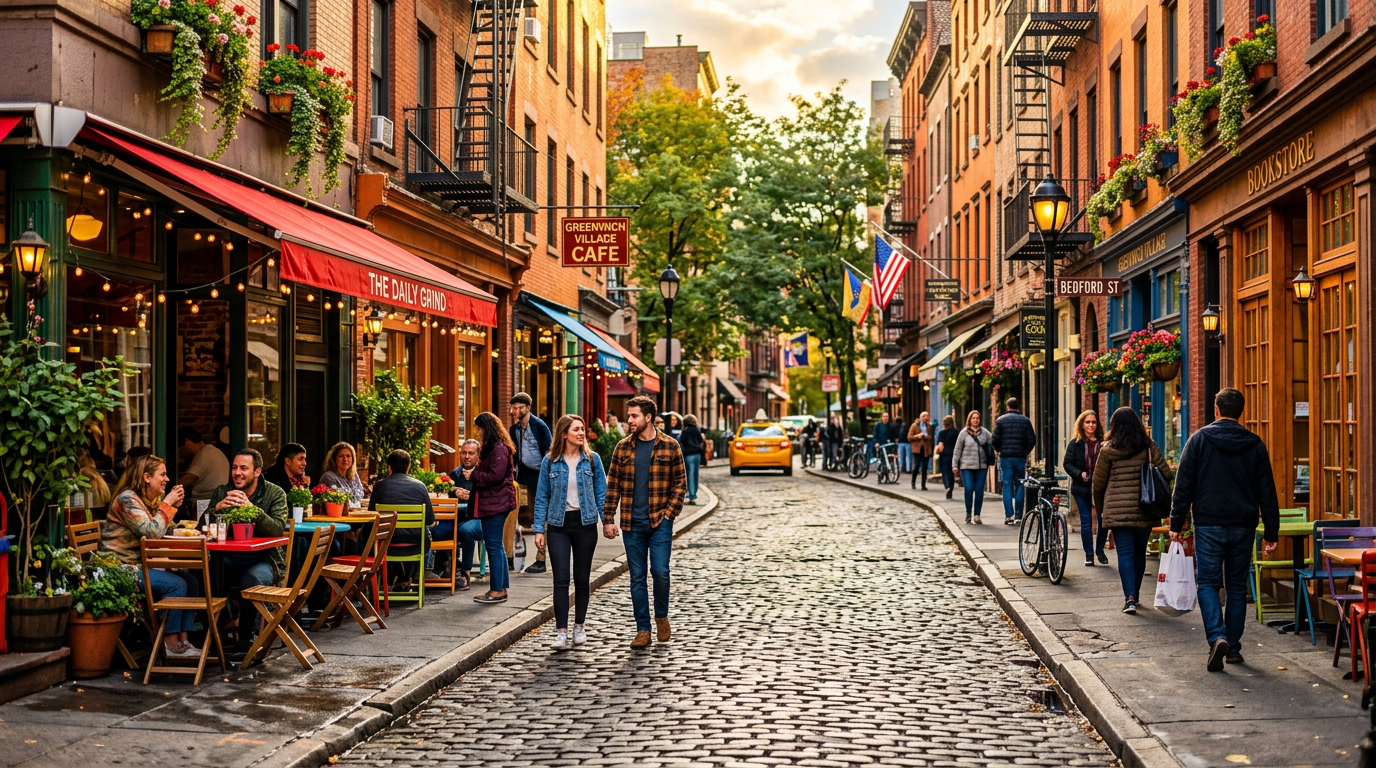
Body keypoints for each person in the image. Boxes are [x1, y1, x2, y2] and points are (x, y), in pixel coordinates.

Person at [1169, 388, 1279, 671]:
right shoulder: (1255, 444)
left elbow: (1183, 486)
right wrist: (1271, 532)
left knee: (1207, 582)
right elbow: (1267, 490)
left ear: (1216, 410)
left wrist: (1176, 523)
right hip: (1243, 524)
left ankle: (1217, 636)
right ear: (1240, 411)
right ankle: (1233, 647)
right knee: (1236, 587)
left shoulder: (1199, 440)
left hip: (1208, 522)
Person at [603, 395, 686, 649]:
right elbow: (613, 485)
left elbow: (680, 484)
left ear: (648, 417)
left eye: (634, 416)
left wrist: (669, 515)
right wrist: (608, 518)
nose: (629, 420)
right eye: (629, 416)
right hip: (631, 523)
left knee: (660, 572)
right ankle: (643, 629)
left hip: (660, 522)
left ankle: (661, 615)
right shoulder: (622, 448)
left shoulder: (670, 446)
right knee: (637, 577)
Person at [100, 454, 200, 659]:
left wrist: (171, 509)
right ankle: (170, 645)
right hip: (119, 568)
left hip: (139, 565)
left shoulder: (147, 500)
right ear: (146, 477)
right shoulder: (127, 499)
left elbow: (163, 529)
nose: (167, 479)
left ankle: (183, 641)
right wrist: (167, 504)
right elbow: (152, 531)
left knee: (191, 581)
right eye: (162, 475)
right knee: (176, 585)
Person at [534, 415, 608, 651]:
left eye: (583, 429)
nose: (581, 433)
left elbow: (602, 494)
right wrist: (538, 529)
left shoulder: (592, 460)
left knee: (582, 579)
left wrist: (608, 521)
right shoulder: (551, 461)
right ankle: (561, 633)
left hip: (585, 524)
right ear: (564, 433)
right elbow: (542, 496)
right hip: (558, 525)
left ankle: (579, 626)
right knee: (561, 579)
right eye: (576, 429)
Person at [1092, 407, 1173, 616]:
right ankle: (1135, 595)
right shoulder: (1148, 446)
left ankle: (1129, 598)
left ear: (1114, 426)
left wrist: (1101, 510)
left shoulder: (1108, 449)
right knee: (1139, 553)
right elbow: (1165, 472)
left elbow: (1098, 483)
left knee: (1125, 554)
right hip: (1145, 508)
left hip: (1118, 510)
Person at [210, 449, 289, 650]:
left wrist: (252, 509)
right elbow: (204, 529)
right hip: (227, 557)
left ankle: (247, 634)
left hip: (264, 559)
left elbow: (278, 528)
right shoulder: (222, 491)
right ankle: (218, 629)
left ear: (257, 472)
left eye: (244, 468)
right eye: (234, 468)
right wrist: (216, 510)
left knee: (251, 580)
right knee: (204, 573)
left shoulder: (275, 493)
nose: (237, 473)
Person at [467, 412, 518, 604]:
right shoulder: (498, 448)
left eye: (479, 428)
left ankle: (497, 590)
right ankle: (501, 587)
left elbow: (494, 477)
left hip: (495, 503)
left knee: (494, 546)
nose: (477, 432)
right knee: (497, 547)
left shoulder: (498, 449)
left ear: (486, 428)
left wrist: (473, 475)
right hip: (496, 502)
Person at [368, 449, 435, 584]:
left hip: (385, 543)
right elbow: (430, 519)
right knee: (423, 534)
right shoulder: (420, 487)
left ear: (389, 467)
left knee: (390, 535)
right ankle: (406, 578)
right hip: (416, 542)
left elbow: (371, 516)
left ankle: (401, 579)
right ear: (408, 466)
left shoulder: (379, 486)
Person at [509, 393, 552, 575]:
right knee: (519, 515)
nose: (516, 411)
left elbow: (549, 451)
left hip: (539, 474)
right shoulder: (514, 429)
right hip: (522, 474)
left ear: (528, 408)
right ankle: (513, 557)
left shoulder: (540, 426)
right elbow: (513, 453)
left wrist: (549, 476)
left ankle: (541, 559)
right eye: (514, 408)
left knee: (540, 516)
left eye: (520, 407)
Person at [1062, 410, 1108, 567]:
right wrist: (1079, 473)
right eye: (1088, 422)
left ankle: (1100, 550)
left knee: (1103, 521)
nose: (1091, 425)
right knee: (1086, 521)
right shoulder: (1075, 443)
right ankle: (1089, 554)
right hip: (1081, 488)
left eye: (1093, 422)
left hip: (1100, 488)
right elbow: (1067, 463)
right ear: (1082, 424)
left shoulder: (1103, 443)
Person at [443, 439, 487, 589]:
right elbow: (445, 496)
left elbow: (490, 497)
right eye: (464, 453)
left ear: (478, 455)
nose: (467, 456)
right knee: (440, 528)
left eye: (471, 453)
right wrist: (453, 491)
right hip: (458, 517)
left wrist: (473, 496)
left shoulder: (484, 474)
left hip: (480, 519)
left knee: (465, 530)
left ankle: (465, 572)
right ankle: (445, 567)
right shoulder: (454, 474)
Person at [991, 397, 1037, 525]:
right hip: (1020, 457)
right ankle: (1018, 516)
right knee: (1020, 485)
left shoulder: (1000, 421)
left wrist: (999, 450)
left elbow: (994, 440)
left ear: (1007, 407)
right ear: (1018, 407)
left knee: (1007, 485)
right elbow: (1032, 439)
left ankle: (1009, 516)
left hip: (1005, 457)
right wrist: (1025, 451)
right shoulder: (1025, 421)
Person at [951, 411, 993, 524]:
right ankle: (968, 512)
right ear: (969, 420)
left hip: (981, 466)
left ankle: (977, 515)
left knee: (979, 490)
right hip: (966, 466)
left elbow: (991, 446)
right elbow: (957, 450)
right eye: (973, 418)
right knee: (969, 488)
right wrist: (955, 465)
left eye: (977, 418)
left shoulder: (985, 433)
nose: (975, 420)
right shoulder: (963, 433)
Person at [176, 426, 230, 506]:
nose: (181, 455)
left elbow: (186, 481)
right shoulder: (212, 451)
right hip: (215, 501)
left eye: (181, 450)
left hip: (207, 504)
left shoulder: (204, 454)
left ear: (187, 442)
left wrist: (168, 494)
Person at [678, 414, 705, 504]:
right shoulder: (697, 430)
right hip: (697, 454)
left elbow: (681, 441)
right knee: (695, 474)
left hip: (689, 455)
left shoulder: (685, 431)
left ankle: (691, 495)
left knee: (689, 475)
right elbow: (701, 442)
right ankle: (694, 493)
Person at [934, 415, 959, 499]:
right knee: (951, 473)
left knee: (945, 472)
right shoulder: (956, 432)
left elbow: (940, 445)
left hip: (944, 455)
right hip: (954, 455)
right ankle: (951, 488)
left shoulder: (942, 433)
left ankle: (947, 485)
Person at [908, 412, 934, 490]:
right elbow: (909, 437)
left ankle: (923, 485)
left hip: (926, 449)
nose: (925, 418)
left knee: (924, 467)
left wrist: (927, 437)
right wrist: (918, 436)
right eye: (924, 416)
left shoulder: (929, 426)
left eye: (927, 416)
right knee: (916, 466)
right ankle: (913, 482)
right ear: (920, 417)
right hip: (917, 450)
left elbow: (931, 437)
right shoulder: (914, 425)